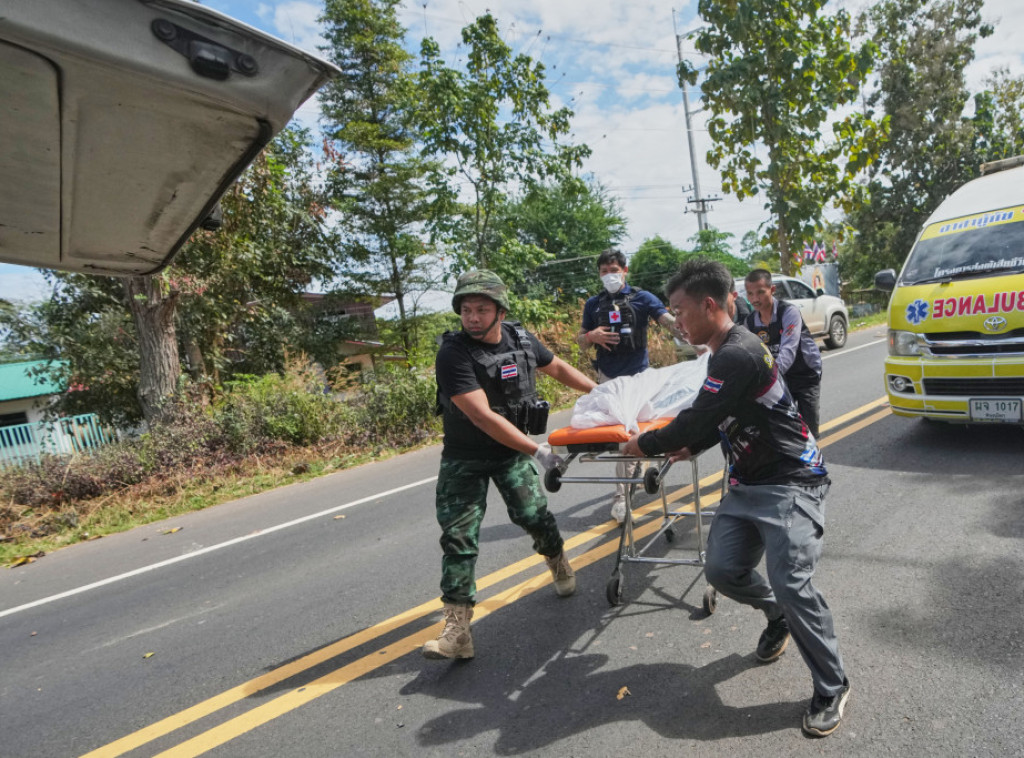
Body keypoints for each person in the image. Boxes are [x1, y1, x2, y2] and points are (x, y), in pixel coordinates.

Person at [622, 258, 849, 738]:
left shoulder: (738, 353)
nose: (676, 322)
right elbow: (722, 414)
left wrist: (643, 444)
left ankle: (833, 685)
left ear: (709, 305)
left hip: (792, 479)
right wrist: (694, 445)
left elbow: (695, 418)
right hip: (747, 481)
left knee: (791, 582)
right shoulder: (720, 354)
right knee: (723, 570)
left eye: (680, 311)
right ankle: (777, 615)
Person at [424, 270, 597, 661]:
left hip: (509, 454)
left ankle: (557, 559)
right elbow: (482, 416)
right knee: (458, 538)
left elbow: (557, 367)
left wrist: (599, 391)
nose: (472, 318)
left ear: (500, 312)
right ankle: (457, 630)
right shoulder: (453, 353)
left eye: (481, 309)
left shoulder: (520, 339)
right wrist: (537, 451)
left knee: (533, 516)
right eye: (466, 310)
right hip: (465, 458)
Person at [578, 248, 681, 524]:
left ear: (625, 270)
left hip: (638, 379)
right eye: (604, 271)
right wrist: (591, 336)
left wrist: (692, 333)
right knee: (624, 437)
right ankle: (621, 499)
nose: (609, 275)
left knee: (634, 435)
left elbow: (667, 322)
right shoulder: (593, 304)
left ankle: (629, 484)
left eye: (614, 270)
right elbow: (580, 341)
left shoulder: (643, 298)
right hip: (609, 380)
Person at [743, 269, 823, 437]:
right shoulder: (749, 322)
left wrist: (769, 379)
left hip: (805, 375)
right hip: (779, 379)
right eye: (750, 294)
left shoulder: (788, 312)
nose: (755, 299)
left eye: (760, 292)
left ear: (772, 290)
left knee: (809, 433)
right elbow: (748, 354)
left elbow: (788, 350)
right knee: (784, 432)